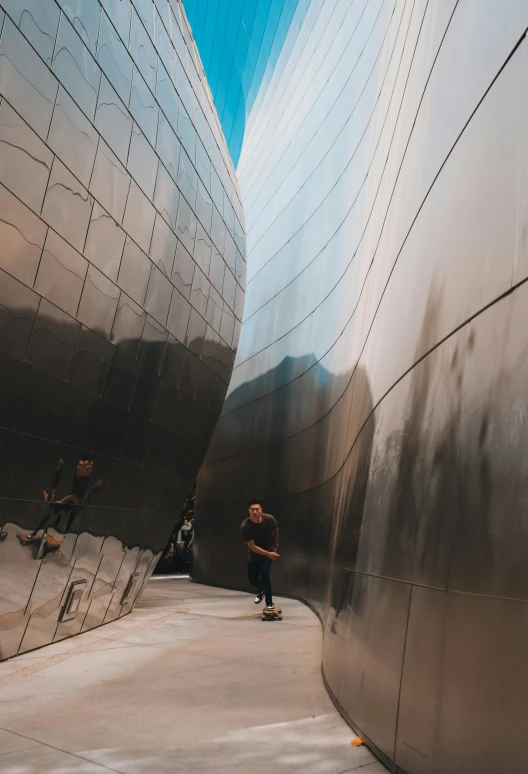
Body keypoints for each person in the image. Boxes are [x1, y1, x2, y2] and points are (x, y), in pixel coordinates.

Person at [240, 500, 279, 611]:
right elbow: (252, 546)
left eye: (257, 509)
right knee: (252, 580)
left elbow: (276, 528)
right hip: (255, 554)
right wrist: (269, 554)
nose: (255, 511)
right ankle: (262, 590)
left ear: (261, 510)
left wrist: (275, 545)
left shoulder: (269, 519)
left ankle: (269, 603)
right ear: (249, 511)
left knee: (264, 574)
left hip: (268, 551)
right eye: (252, 509)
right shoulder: (245, 526)